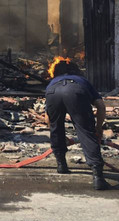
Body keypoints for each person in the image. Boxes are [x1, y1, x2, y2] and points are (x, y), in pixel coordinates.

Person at [45, 59, 110, 190]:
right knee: (85, 131)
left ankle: (61, 165)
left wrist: (58, 136)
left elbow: (48, 119)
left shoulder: (52, 82)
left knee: (56, 127)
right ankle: (98, 178)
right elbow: (101, 107)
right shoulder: (82, 80)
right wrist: (98, 128)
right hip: (75, 91)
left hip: (53, 92)